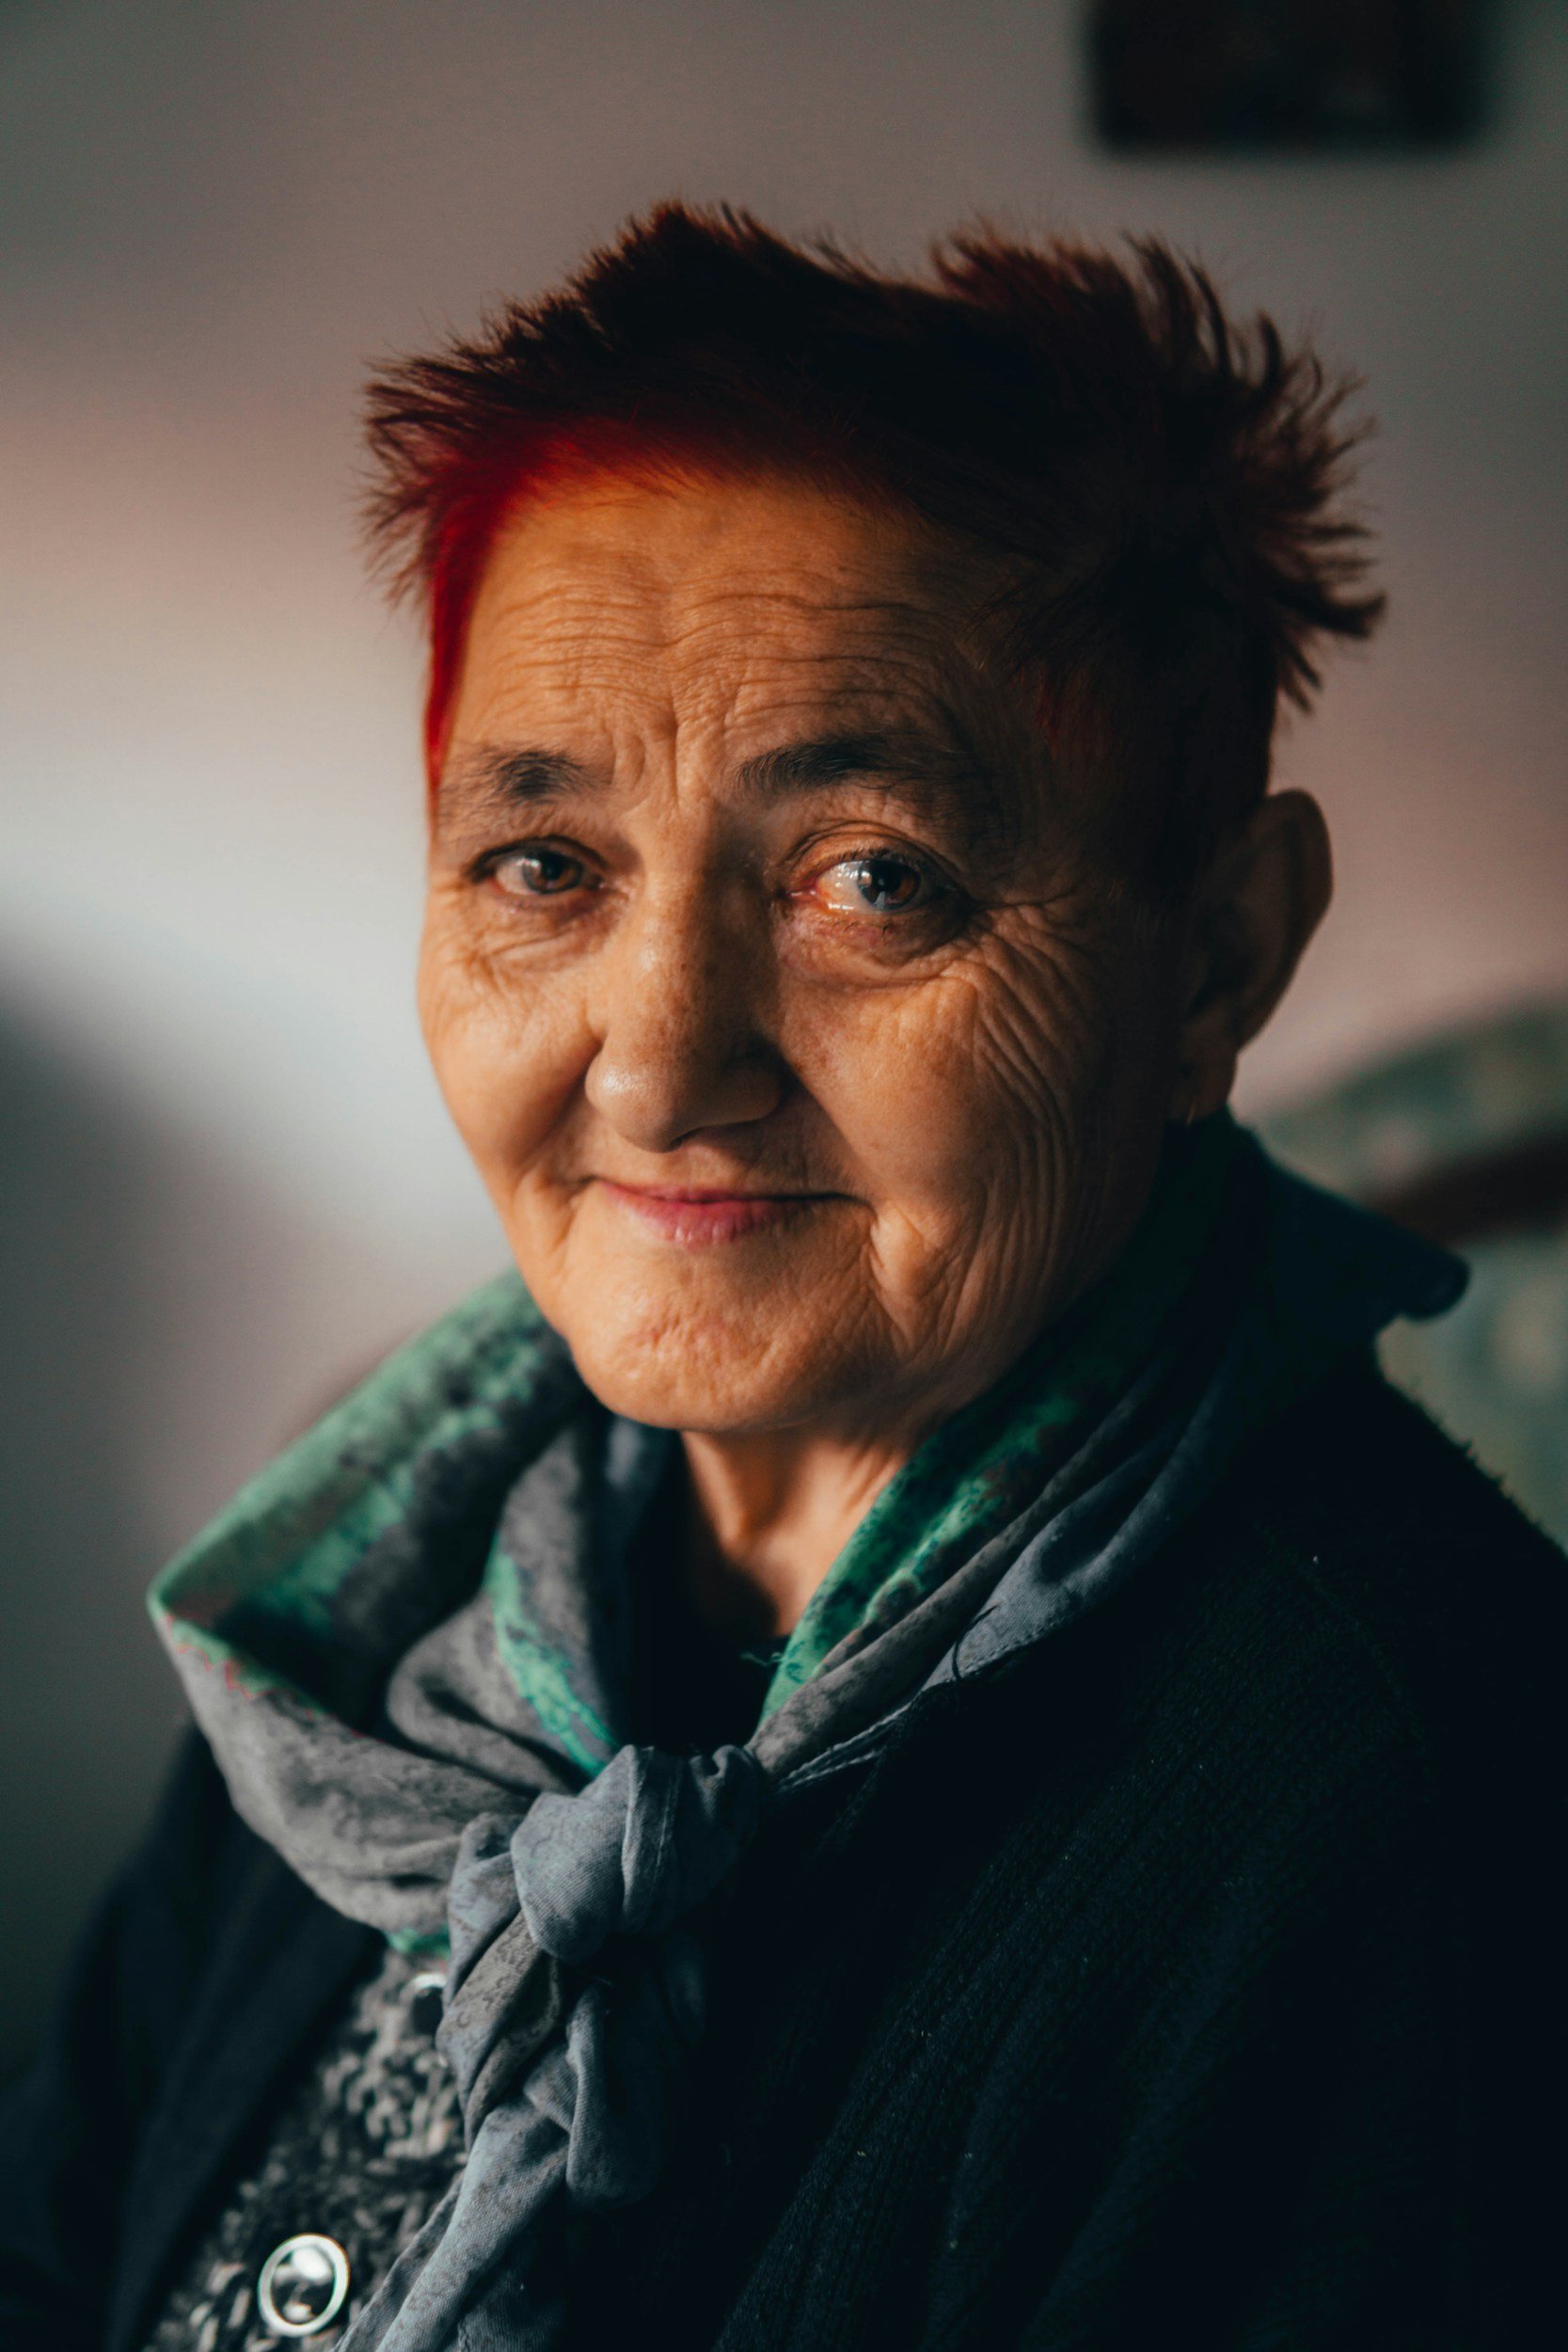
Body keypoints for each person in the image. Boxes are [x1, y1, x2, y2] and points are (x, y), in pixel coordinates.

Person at [1, 205, 1559, 2352]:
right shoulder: (388, 1595)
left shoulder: (1405, 1819)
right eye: (543, 865)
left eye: (870, 881)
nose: (654, 1060)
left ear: (1213, 953)